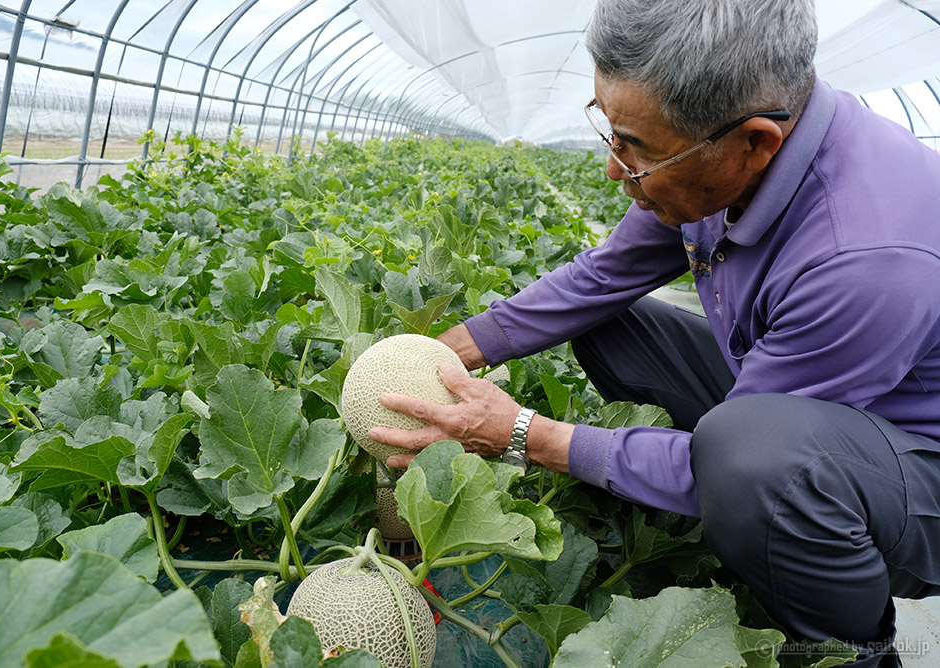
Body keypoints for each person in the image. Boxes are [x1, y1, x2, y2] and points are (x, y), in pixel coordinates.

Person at [365, 0, 940, 665]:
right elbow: (597, 282)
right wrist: (437, 353)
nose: (614, 168)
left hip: (914, 475)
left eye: (634, 147)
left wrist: (525, 436)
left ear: (754, 143)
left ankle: (853, 649)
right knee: (616, 328)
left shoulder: (864, 261)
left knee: (747, 461)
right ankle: (716, 511)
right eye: (610, 131)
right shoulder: (710, 155)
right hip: (800, 417)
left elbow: (753, 454)